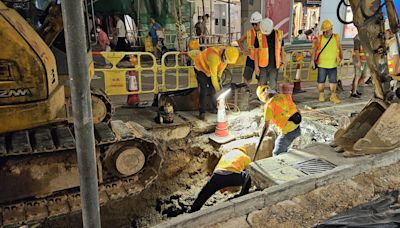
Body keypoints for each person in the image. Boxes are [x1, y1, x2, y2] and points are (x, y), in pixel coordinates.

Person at [190, 147, 251, 212]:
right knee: (248, 176)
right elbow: (250, 168)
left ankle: (194, 209)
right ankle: (244, 195)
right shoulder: (244, 156)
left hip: (217, 175)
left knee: (205, 193)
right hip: (231, 176)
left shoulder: (227, 154)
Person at [193, 46, 239, 120]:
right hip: (200, 68)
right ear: (224, 56)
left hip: (210, 69)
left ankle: (214, 108)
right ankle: (202, 112)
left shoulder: (226, 56)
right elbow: (213, 76)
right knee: (204, 89)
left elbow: (219, 73)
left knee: (213, 88)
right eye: (226, 61)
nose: (226, 63)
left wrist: (219, 80)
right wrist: (219, 89)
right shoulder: (214, 57)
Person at [256, 85, 301, 156]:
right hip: (297, 127)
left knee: (277, 153)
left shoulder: (269, 105)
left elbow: (266, 126)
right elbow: (297, 109)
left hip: (288, 132)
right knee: (284, 149)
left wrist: (260, 139)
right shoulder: (284, 96)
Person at [312, 19, 343, 104]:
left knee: (333, 82)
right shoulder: (319, 38)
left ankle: (333, 96)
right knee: (321, 81)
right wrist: (312, 60)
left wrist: (341, 57)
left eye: (327, 31)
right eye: (323, 31)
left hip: (333, 64)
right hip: (322, 64)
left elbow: (339, 48)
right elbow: (314, 50)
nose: (325, 33)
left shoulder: (336, 37)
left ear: (331, 29)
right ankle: (321, 94)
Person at [254, 18, 286, 90]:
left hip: (274, 65)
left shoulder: (279, 35)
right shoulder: (259, 36)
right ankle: (263, 99)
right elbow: (256, 52)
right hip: (262, 66)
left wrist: (283, 63)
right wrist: (256, 66)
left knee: (273, 84)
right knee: (262, 84)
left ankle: (271, 99)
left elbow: (282, 50)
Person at [237, 11, 263, 89]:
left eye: (256, 24)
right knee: (247, 77)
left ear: (260, 23)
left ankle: (260, 94)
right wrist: (243, 50)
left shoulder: (264, 32)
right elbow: (240, 41)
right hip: (251, 58)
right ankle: (247, 91)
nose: (254, 26)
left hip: (261, 58)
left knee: (261, 78)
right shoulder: (249, 33)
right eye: (253, 24)